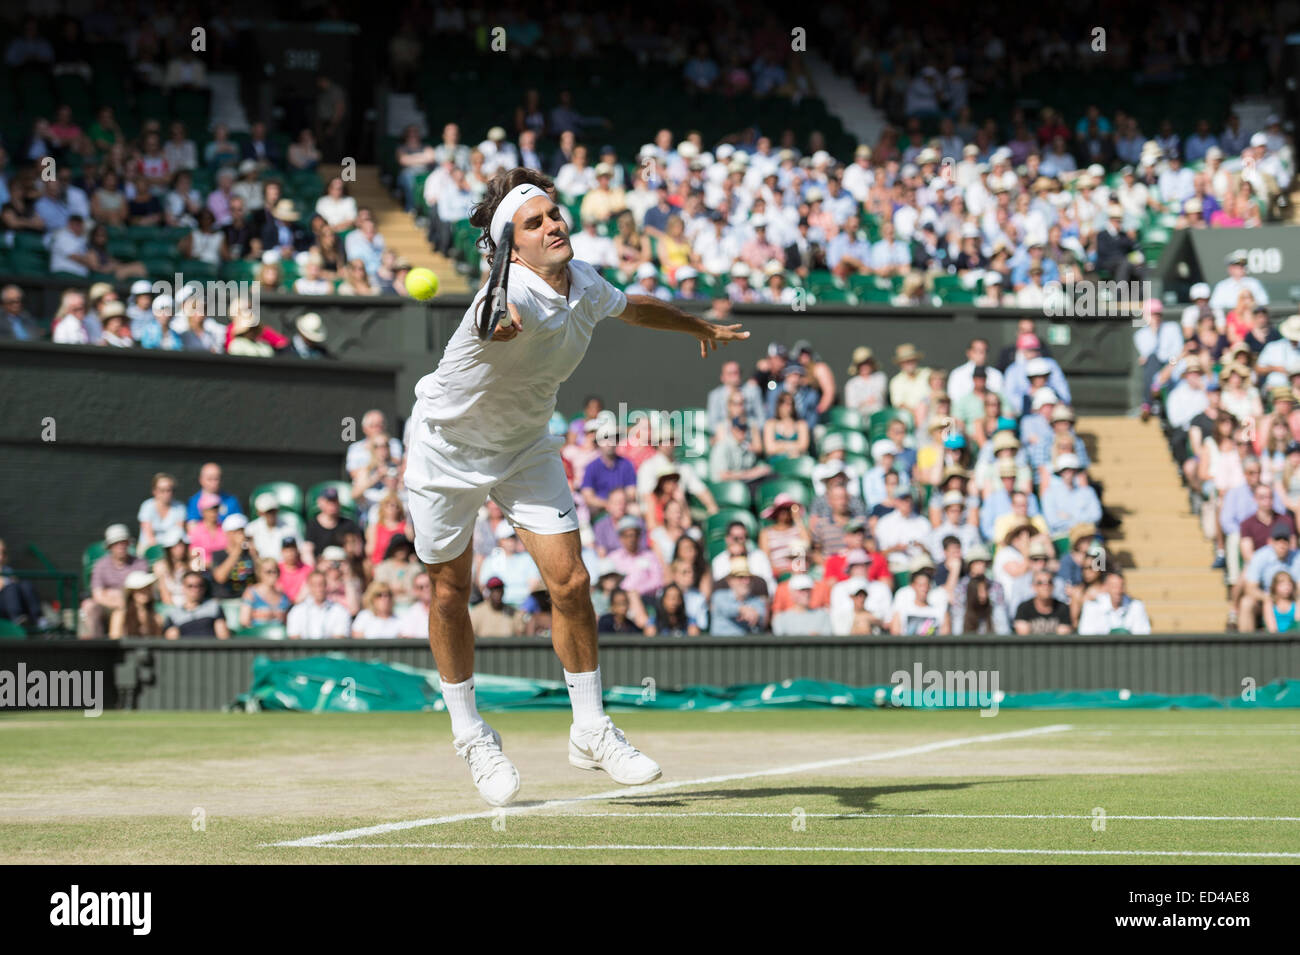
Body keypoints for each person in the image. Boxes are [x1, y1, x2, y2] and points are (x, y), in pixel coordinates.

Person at [403, 168, 746, 805]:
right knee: (450, 592)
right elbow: (495, 318)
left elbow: (630, 306)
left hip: (524, 446)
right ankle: (471, 734)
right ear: (513, 246)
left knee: (573, 581)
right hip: (445, 452)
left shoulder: (584, 280)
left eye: (555, 215)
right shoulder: (504, 300)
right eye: (534, 223)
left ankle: (589, 727)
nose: (553, 225)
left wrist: (696, 325)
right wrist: (499, 318)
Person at [80, 524, 148, 637]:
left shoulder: (140, 563)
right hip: (108, 605)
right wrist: (117, 601)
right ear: (110, 547)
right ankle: (96, 644)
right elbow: (97, 595)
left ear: (128, 543)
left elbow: (142, 593)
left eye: (123, 542)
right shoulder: (100, 565)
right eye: (116, 543)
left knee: (126, 609)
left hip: (133, 605)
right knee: (89, 606)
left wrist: (120, 598)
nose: (120, 546)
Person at [1078, 570, 1152, 635]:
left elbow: (1143, 633)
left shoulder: (1136, 606)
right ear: (1106, 587)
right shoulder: (1091, 606)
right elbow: (1085, 633)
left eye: (1121, 586)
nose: (1118, 591)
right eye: (1114, 586)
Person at [286, 570, 353, 639]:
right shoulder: (297, 611)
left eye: (321, 584)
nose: (319, 588)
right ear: (309, 586)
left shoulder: (340, 610)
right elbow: (294, 637)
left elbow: (340, 638)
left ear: (326, 586)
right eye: (314, 585)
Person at [1013, 570, 1073, 634]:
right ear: (1033, 586)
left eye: (1049, 582)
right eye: (1040, 583)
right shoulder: (1024, 608)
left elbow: (1063, 635)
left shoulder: (1062, 608)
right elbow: (1023, 634)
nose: (1045, 586)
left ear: (1053, 586)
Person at [108, 571, 166, 638]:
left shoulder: (156, 617)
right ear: (132, 592)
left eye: (147, 588)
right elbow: (115, 638)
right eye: (141, 589)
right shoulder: (120, 615)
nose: (145, 591)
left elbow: (157, 641)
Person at [238, 558, 291, 629]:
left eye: (275, 571)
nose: (273, 574)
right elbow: (244, 621)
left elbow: (287, 622)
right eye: (268, 572)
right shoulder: (251, 593)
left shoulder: (283, 596)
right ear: (260, 573)